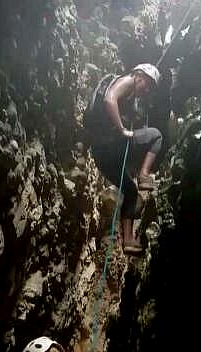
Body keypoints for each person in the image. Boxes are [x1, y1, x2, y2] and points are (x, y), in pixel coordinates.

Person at [87, 63, 163, 255]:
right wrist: (122, 130)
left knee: (130, 192)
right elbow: (109, 99)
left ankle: (128, 241)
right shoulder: (128, 81)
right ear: (139, 75)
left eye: (151, 89)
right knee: (156, 136)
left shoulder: (131, 98)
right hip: (112, 144)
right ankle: (145, 175)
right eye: (148, 84)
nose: (147, 90)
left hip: (102, 155)